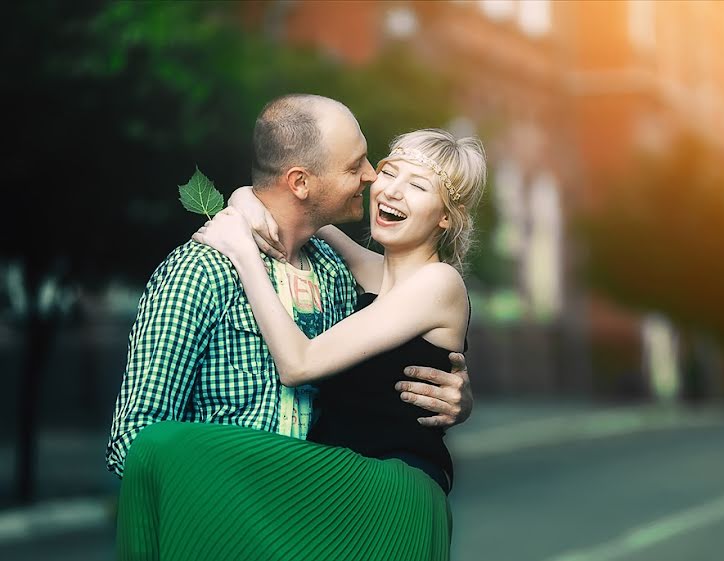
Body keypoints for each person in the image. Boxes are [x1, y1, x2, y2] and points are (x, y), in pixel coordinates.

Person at [107, 95, 473, 553]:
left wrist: (243, 252)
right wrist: (242, 202)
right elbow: (289, 209)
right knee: (157, 443)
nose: (377, 181)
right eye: (383, 168)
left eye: (418, 185)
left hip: (383, 492)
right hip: (323, 492)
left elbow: (300, 364)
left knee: (166, 445)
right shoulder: (356, 269)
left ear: (445, 217)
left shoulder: (429, 282)